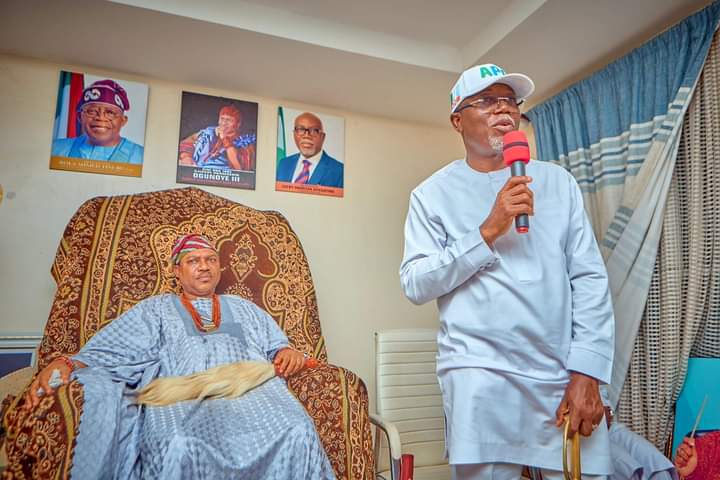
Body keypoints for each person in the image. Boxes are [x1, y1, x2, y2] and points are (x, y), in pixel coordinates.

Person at [400, 63, 615, 479]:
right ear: (457, 120)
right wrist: (487, 231)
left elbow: (589, 278)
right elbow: (415, 282)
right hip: (479, 373)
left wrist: (588, 372)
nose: (503, 109)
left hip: (560, 373)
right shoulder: (431, 195)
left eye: (510, 101)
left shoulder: (558, 182)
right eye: (486, 101)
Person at [26, 234, 336, 479]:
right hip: (183, 397)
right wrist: (68, 362)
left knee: (299, 431)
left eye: (210, 260)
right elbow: (113, 348)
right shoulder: (156, 309)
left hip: (254, 396)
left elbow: (277, 346)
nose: (204, 266)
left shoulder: (244, 307)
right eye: (193, 261)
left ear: (219, 268)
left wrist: (286, 351)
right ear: (177, 271)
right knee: (179, 443)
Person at [52, 79, 144, 164]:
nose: (100, 117)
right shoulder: (55, 148)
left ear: (123, 121)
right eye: (92, 111)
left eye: (110, 113)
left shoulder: (141, 157)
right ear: (80, 117)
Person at [178, 105, 256, 170]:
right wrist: (186, 156)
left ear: (238, 124)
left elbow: (238, 168)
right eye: (222, 119)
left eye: (229, 120)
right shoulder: (210, 131)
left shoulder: (245, 142)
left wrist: (224, 139)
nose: (224, 123)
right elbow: (189, 140)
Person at [276, 112, 344, 188]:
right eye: (301, 129)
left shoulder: (339, 171)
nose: (306, 135)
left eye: (314, 130)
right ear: (294, 134)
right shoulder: (283, 164)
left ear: (322, 137)